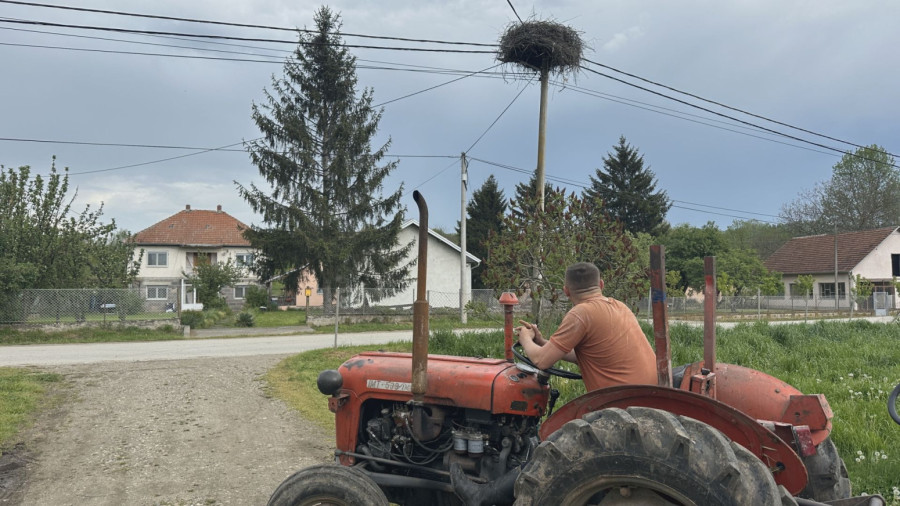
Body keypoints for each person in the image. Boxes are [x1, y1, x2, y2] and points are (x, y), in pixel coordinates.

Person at [515, 262, 657, 391]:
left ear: (566, 291)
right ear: (601, 284)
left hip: (619, 400)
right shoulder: (619, 306)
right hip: (651, 393)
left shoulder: (580, 314)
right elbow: (590, 356)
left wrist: (525, 338)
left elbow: (541, 361)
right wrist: (541, 342)